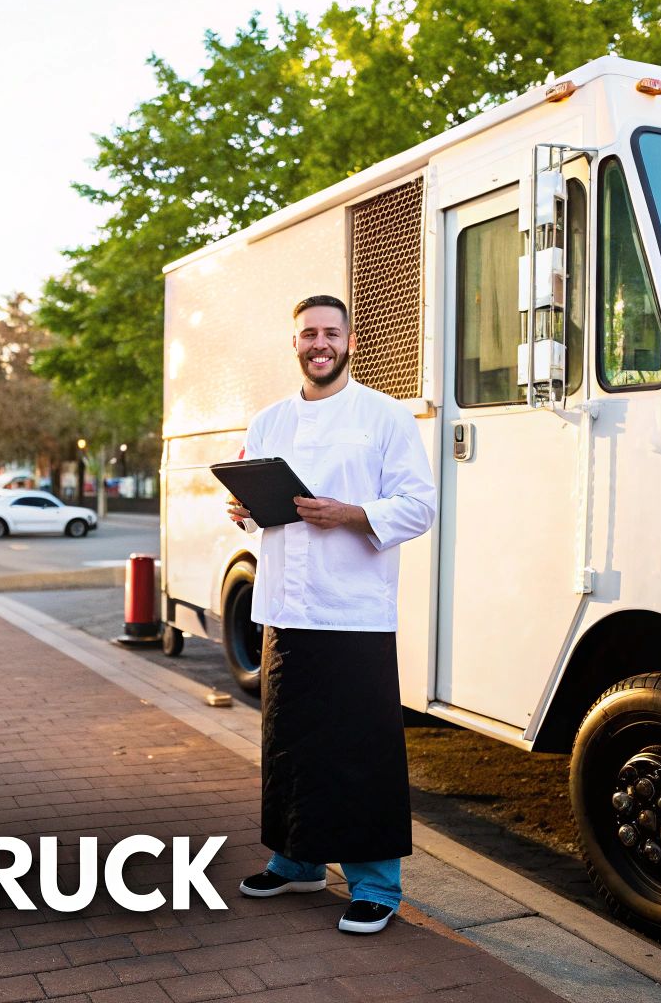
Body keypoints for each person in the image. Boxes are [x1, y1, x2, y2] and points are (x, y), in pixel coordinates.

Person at [227, 294, 436, 935]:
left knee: (359, 751)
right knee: (290, 745)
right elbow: (256, 508)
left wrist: (350, 513)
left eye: (331, 333)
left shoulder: (385, 416)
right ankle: (297, 861)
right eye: (308, 334)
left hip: (353, 611)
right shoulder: (268, 421)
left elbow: (420, 506)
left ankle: (376, 886)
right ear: (295, 343)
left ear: (350, 342)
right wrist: (243, 512)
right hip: (284, 610)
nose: (320, 344)